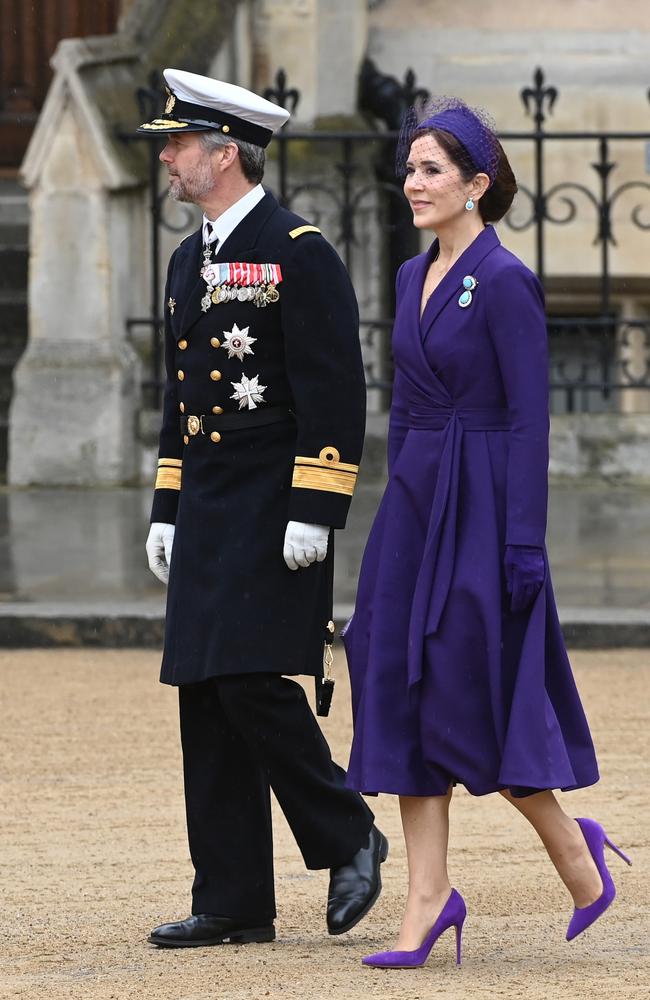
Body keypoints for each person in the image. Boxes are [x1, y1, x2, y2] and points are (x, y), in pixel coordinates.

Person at [342, 98, 631, 969]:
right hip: (415, 507)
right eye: (410, 168)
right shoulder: (405, 276)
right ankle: (428, 898)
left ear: (477, 185)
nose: (414, 183)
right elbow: (404, 410)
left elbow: (530, 421)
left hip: (485, 511)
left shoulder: (506, 281)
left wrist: (522, 543)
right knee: (389, 679)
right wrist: (396, 507)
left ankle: (574, 851)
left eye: (432, 169)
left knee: (474, 690)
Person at [140, 68, 387, 949]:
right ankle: (235, 898)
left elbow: (334, 390)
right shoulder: (187, 257)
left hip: (274, 503)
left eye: (177, 143)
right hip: (207, 505)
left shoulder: (300, 248)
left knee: (250, 678)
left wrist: (316, 505)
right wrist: (166, 504)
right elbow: (180, 399)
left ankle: (349, 829)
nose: (166, 157)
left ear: (224, 152)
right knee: (202, 693)